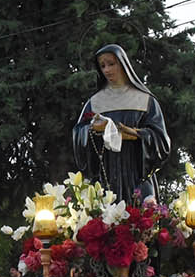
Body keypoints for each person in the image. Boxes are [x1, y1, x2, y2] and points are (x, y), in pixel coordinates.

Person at [71, 43, 171, 202]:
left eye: (111, 64)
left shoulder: (145, 100)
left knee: (142, 214)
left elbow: (161, 140)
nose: (107, 70)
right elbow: (79, 134)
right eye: (102, 66)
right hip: (107, 173)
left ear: (123, 64)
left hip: (137, 173)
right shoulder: (95, 102)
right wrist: (92, 129)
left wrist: (136, 134)